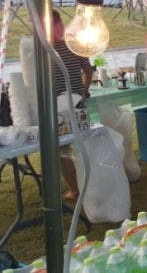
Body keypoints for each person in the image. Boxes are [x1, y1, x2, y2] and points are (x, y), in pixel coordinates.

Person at [52, 10, 94, 201]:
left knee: (64, 150)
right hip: (78, 103)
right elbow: (88, 71)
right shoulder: (75, 44)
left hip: (59, 106)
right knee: (85, 144)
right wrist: (84, 90)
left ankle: (75, 190)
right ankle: (91, 184)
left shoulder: (45, 48)